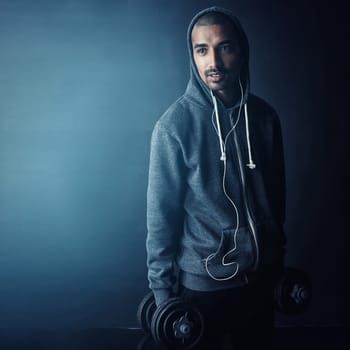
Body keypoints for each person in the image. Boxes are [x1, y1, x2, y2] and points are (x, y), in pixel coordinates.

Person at [146, 6, 286, 349]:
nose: (214, 62)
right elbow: (161, 216)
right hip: (203, 286)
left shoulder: (265, 118)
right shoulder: (173, 126)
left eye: (224, 47)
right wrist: (162, 293)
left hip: (260, 280)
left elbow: (277, 199)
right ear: (192, 55)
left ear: (241, 51)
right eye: (202, 49)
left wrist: (276, 259)